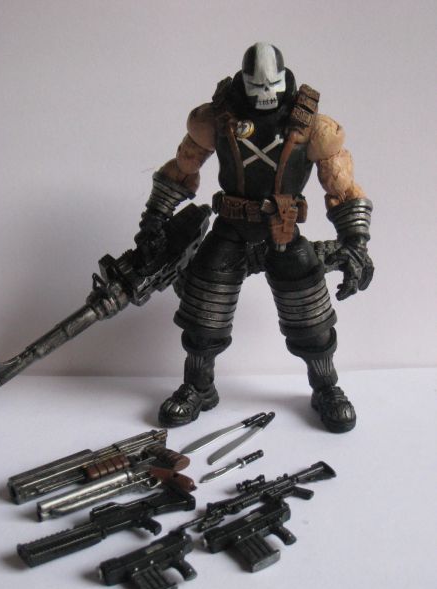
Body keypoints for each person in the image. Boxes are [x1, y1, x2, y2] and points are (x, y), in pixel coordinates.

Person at [136, 42, 373, 433]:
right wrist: (154, 219)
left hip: (283, 228)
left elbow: (341, 185)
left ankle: (326, 388)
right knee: (203, 318)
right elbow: (183, 166)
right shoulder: (216, 118)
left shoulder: (313, 126)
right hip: (231, 227)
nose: (264, 93)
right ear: (244, 81)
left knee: (311, 320)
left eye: (271, 85)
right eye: (256, 85)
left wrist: (356, 241)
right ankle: (198, 387)